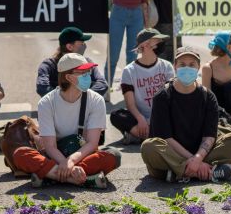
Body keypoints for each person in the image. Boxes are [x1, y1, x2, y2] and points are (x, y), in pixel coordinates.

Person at [141, 46, 231, 183]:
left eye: (192, 64)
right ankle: (207, 171)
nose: (187, 68)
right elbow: (166, 138)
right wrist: (194, 161)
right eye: (182, 64)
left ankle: (178, 172)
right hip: (172, 152)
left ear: (198, 67)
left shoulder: (207, 96)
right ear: (175, 67)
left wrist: (198, 158)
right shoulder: (163, 96)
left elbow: (209, 136)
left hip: (200, 151)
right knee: (148, 147)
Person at [13, 53, 121, 188]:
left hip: (82, 154)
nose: (89, 76)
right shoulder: (46, 103)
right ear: (69, 77)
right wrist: (64, 162)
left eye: (89, 71)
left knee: (114, 155)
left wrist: (70, 162)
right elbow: (50, 147)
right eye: (84, 72)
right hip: (55, 155)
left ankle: (50, 176)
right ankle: (80, 179)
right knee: (20, 154)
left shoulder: (96, 100)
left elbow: (92, 143)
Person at [110, 28, 174, 144]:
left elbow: (170, 98)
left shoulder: (167, 66)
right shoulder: (129, 71)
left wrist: (156, 119)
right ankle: (156, 137)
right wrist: (141, 119)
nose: (161, 44)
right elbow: (130, 104)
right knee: (116, 115)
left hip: (162, 115)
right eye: (158, 41)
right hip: (140, 118)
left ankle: (140, 136)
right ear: (145, 45)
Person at [106, 0, 149, 86]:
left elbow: (144, 2)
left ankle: (129, 87)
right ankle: (106, 87)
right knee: (113, 53)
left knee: (133, 54)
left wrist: (146, 24)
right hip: (118, 13)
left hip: (136, 15)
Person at [36, 27, 108, 98]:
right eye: (82, 43)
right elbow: (42, 87)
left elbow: (102, 84)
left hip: (83, 108)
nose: (85, 46)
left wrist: (81, 99)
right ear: (69, 47)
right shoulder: (49, 65)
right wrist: (64, 99)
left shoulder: (87, 62)